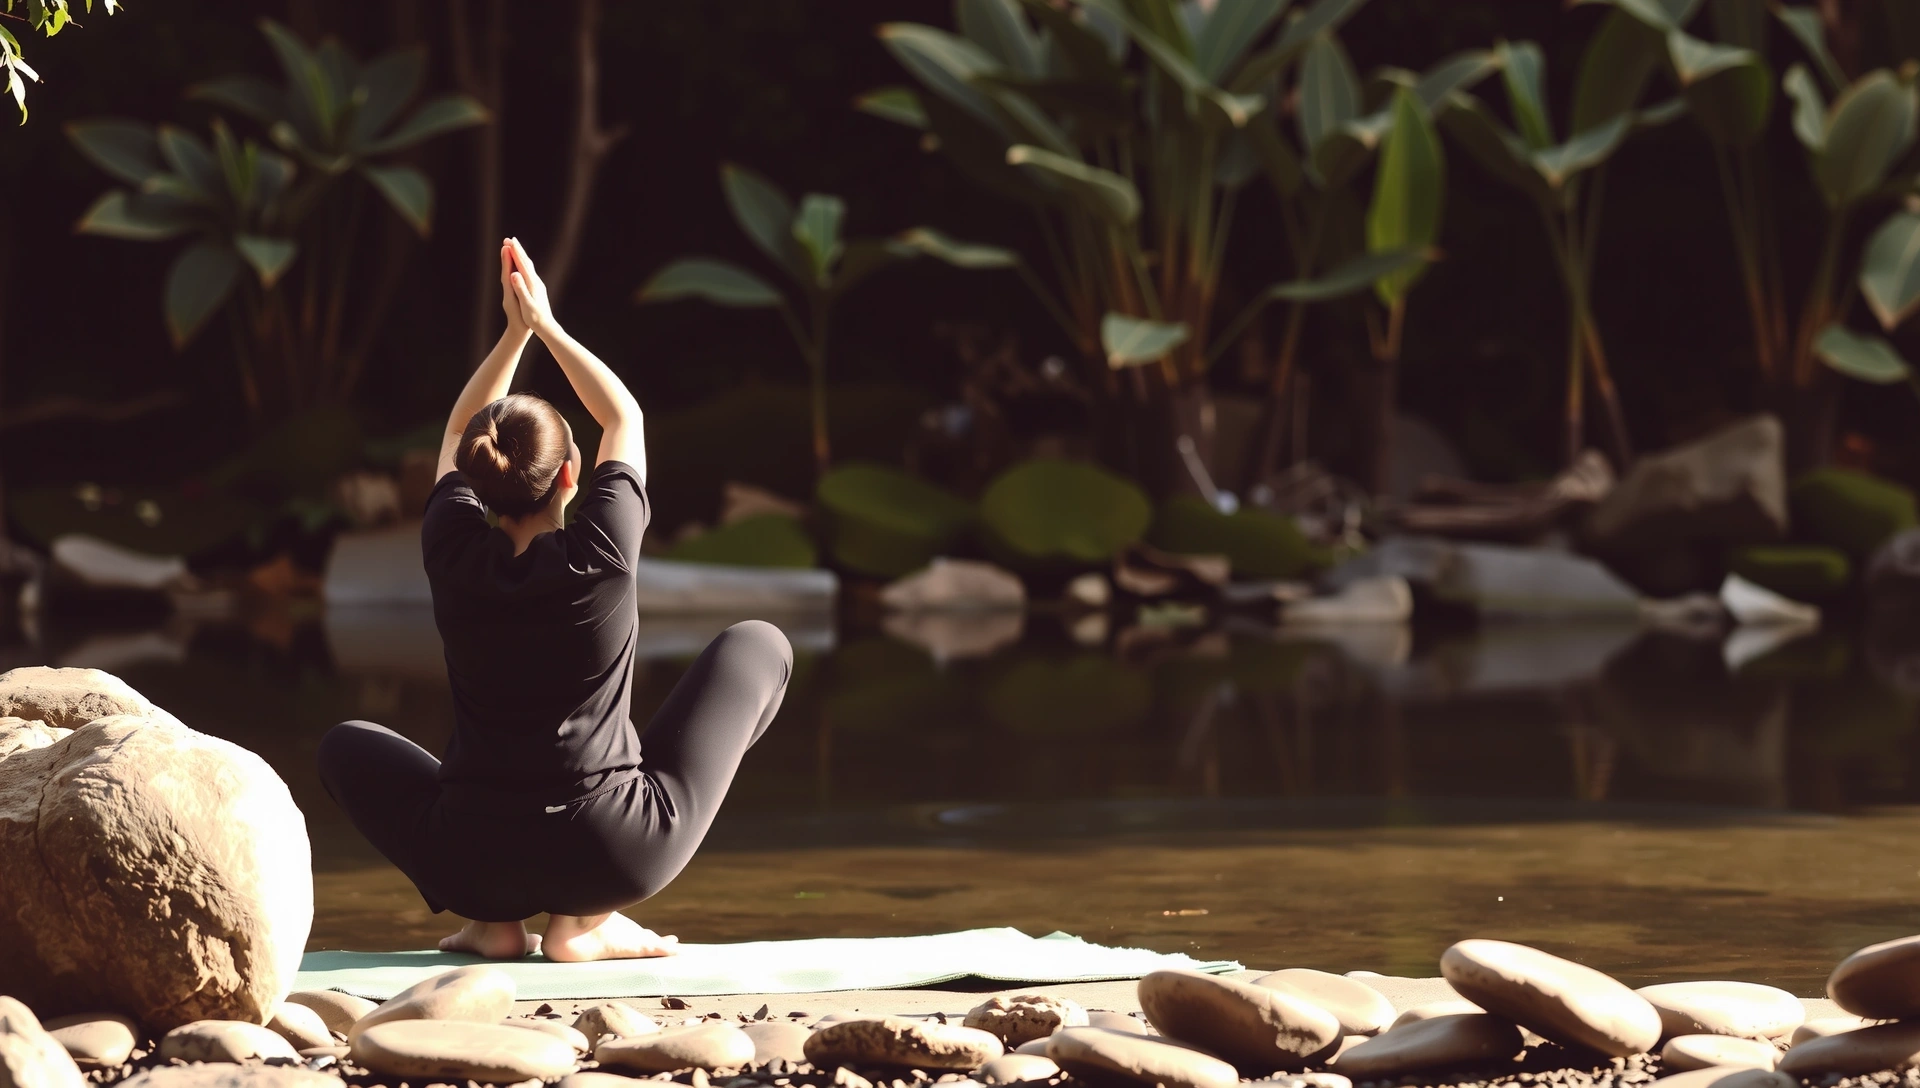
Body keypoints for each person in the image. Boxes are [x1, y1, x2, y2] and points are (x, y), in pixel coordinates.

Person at [317, 238, 792, 961]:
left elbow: (455, 429)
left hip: (475, 855)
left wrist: (509, 337)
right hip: (613, 849)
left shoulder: (451, 550)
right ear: (572, 474)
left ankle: (491, 924)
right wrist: (544, 325)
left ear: (479, 480)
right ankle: (587, 921)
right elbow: (623, 418)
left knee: (344, 747)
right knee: (761, 645)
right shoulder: (603, 549)